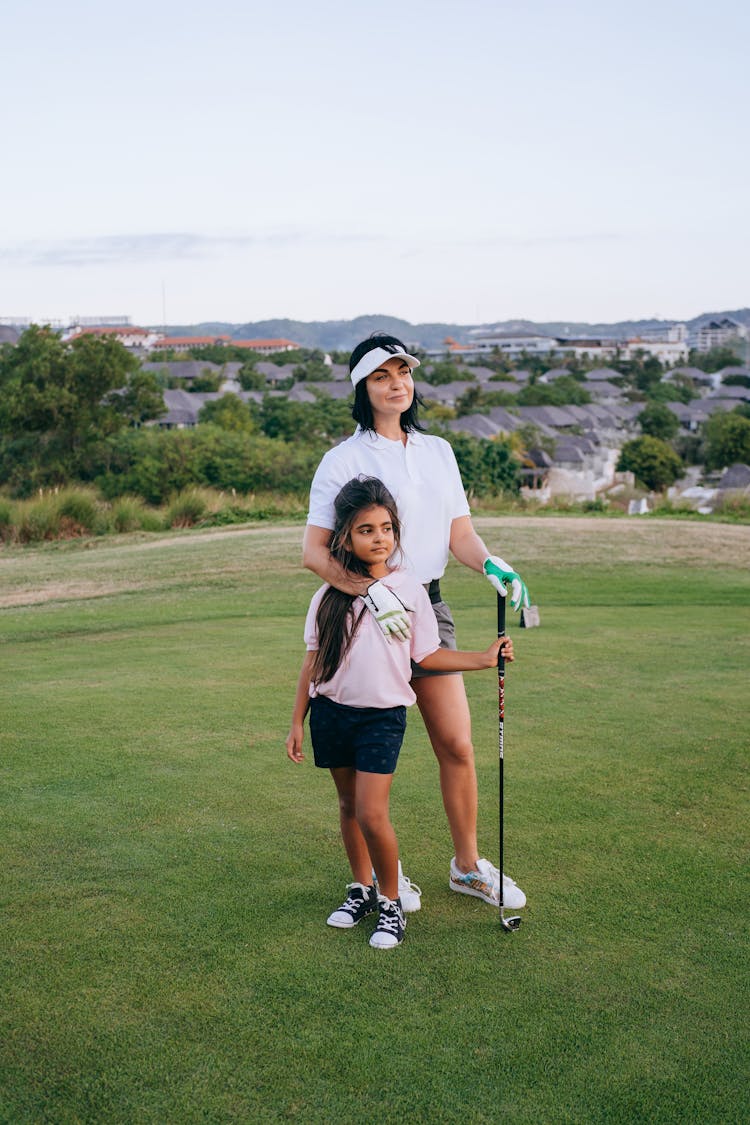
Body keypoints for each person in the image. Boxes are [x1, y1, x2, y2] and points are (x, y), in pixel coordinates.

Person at [302, 333, 530, 911]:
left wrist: (492, 564)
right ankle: (385, 879)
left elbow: (459, 535)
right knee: (362, 764)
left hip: (426, 606)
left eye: (403, 373)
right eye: (382, 375)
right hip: (359, 620)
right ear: (363, 387)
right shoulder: (341, 460)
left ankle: (467, 866)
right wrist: (371, 591)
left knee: (455, 742)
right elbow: (314, 553)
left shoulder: (438, 451)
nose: (397, 383)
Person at [287, 476, 514, 949]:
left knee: (372, 813)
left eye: (386, 527)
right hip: (330, 712)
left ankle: (390, 903)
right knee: (348, 809)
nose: (380, 537)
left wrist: (482, 657)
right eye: (366, 529)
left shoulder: (409, 589)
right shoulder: (328, 595)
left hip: (381, 717)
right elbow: (311, 661)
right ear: (344, 537)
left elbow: (426, 657)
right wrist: (296, 721)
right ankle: (363, 889)